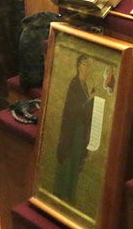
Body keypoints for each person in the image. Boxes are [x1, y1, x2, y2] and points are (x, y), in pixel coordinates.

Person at [54, 54, 95, 203]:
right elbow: (74, 109)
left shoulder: (84, 85)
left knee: (76, 162)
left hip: (81, 130)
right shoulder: (75, 84)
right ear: (78, 67)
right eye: (84, 65)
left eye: (88, 65)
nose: (86, 68)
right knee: (69, 162)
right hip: (73, 130)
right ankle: (62, 195)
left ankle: (71, 196)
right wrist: (90, 100)